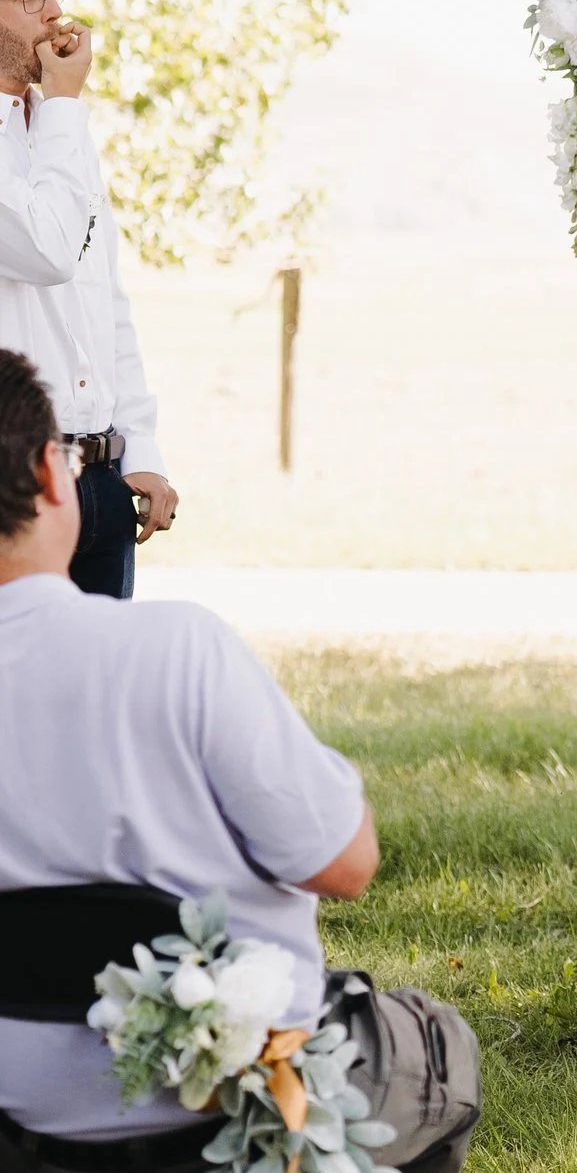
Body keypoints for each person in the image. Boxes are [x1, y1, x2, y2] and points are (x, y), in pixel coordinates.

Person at [0, 347, 478, 1171]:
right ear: (50, 471)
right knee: (440, 1053)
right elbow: (345, 860)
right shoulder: (180, 648)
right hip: (239, 1114)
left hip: (22, 1127)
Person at [0, 0, 175, 597]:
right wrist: (68, 103)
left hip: (102, 487)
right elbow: (47, 251)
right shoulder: (64, 120)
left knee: (99, 701)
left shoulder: (60, 130)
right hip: (15, 488)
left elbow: (104, 299)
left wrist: (142, 449)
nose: (54, 12)